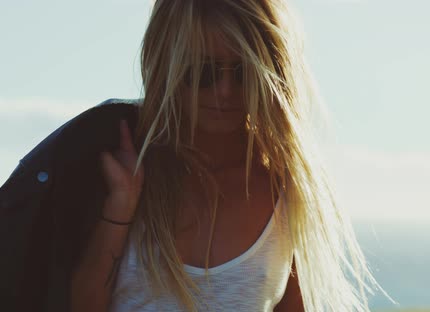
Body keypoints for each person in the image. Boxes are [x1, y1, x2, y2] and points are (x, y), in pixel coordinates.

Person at [70, 0, 390, 311]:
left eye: (242, 72)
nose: (224, 90)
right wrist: (120, 207)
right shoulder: (117, 170)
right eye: (204, 72)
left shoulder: (284, 188)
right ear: (166, 66)